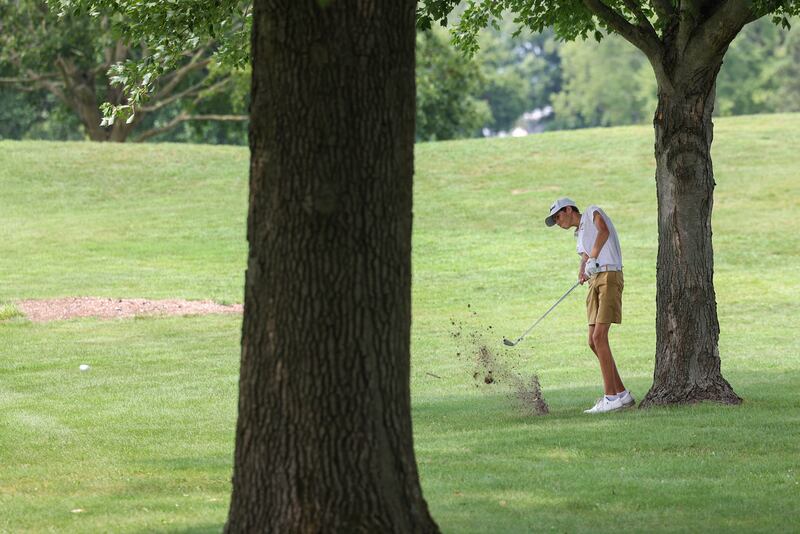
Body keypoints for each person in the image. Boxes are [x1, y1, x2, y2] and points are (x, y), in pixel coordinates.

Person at [545, 197, 634, 413]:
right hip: (594, 280)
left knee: (599, 337)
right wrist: (582, 269)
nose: (558, 222)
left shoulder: (591, 212)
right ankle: (621, 394)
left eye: (558, 217)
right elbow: (585, 255)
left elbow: (603, 232)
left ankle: (610, 398)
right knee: (592, 341)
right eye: (554, 220)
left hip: (609, 275)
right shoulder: (579, 234)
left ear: (568, 209)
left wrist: (592, 259)